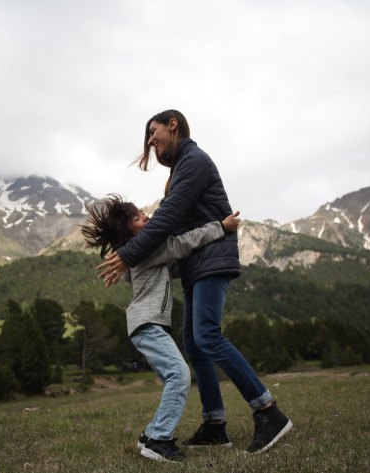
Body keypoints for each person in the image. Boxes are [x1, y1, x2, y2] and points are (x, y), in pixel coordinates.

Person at [97, 110, 293, 454]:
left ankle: (268, 411)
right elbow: (166, 229)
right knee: (194, 343)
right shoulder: (179, 170)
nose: (150, 142)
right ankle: (215, 424)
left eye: (153, 132)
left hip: (212, 255)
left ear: (173, 124)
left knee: (206, 335)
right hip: (197, 262)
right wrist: (129, 253)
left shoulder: (194, 162)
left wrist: (129, 254)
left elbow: (168, 222)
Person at [81, 194, 241, 463]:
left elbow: (171, 264)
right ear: (127, 232)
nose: (144, 216)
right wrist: (220, 228)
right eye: (136, 217)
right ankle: (158, 439)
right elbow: (182, 244)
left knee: (175, 376)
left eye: (140, 212)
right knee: (179, 375)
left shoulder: (143, 254)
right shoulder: (148, 250)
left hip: (145, 326)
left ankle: (151, 435)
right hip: (147, 325)